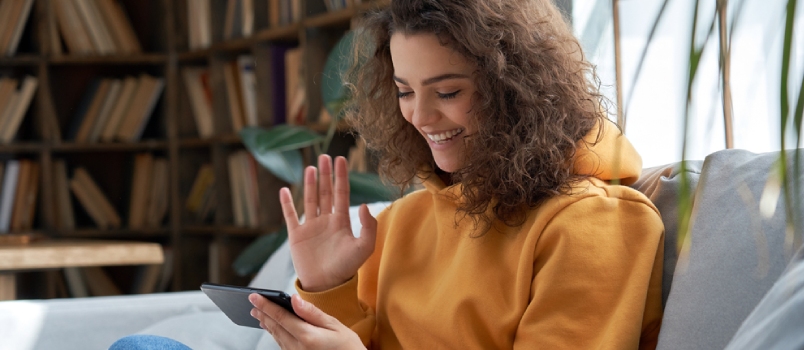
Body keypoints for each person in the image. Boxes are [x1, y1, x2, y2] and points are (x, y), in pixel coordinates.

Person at [111, 0, 664, 349]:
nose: (421, 118)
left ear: (519, 91)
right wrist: (329, 287)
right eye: (404, 92)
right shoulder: (407, 218)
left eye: (448, 92)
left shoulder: (598, 225)